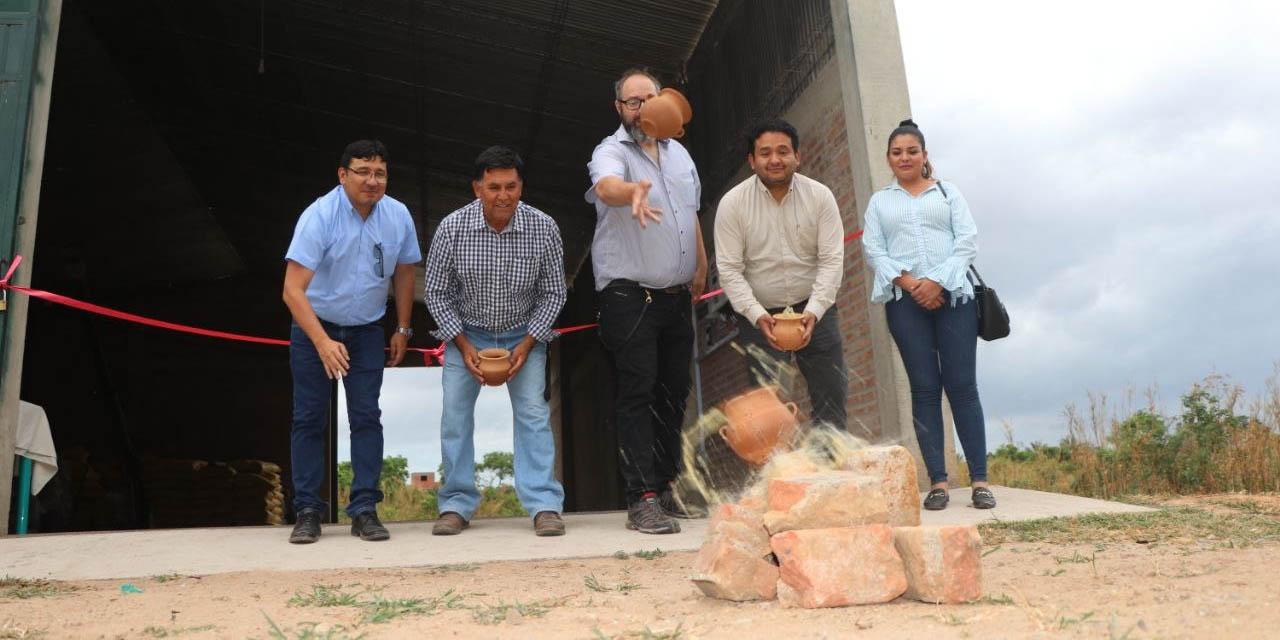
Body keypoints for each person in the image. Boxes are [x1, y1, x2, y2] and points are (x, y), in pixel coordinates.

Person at [586, 67, 707, 534]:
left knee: (673, 393)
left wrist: (700, 266)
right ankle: (642, 498)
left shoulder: (681, 157)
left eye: (649, 98)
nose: (641, 107)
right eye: (632, 101)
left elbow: (690, 212)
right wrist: (632, 191)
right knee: (637, 392)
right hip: (628, 296)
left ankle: (666, 484)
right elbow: (606, 187)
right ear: (619, 108)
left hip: (676, 296)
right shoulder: (611, 152)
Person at [424, 146, 568, 537]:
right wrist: (463, 344)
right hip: (465, 335)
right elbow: (436, 292)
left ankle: (544, 505)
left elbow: (554, 292)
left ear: (521, 186)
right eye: (493, 187)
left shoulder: (544, 227)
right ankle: (455, 503)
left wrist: (529, 342)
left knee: (534, 416)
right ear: (477, 188)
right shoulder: (451, 229)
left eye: (511, 186)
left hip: (525, 334)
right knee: (454, 416)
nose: (502, 195)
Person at [282, 139, 422, 543]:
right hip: (315, 326)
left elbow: (405, 270)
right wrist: (323, 341)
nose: (371, 181)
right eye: (362, 172)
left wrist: (403, 327)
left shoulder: (397, 216)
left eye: (379, 173)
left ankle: (364, 509)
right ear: (342, 175)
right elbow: (292, 290)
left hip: (365, 329)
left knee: (365, 416)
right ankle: (307, 510)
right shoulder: (319, 217)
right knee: (309, 416)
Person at [861, 119, 995, 511]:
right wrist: (912, 284)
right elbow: (875, 250)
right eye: (897, 152)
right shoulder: (880, 202)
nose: (904, 157)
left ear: (924, 156)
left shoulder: (948, 193)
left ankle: (980, 481)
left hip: (954, 299)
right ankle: (938, 481)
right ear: (889, 158)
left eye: (912, 151)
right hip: (906, 305)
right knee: (923, 389)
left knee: (962, 387)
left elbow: (966, 241)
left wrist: (936, 282)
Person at [714, 119, 848, 429]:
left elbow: (831, 259)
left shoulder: (820, 197)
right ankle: (776, 475)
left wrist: (814, 311)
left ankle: (831, 471)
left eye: (783, 151)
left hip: (816, 309)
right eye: (765, 153)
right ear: (752, 160)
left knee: (831, 398)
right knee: (766, 414)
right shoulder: (733, 205)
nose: (774, 160)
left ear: (797, 157)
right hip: (760, 317)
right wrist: (757, 315)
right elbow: (730, 271)